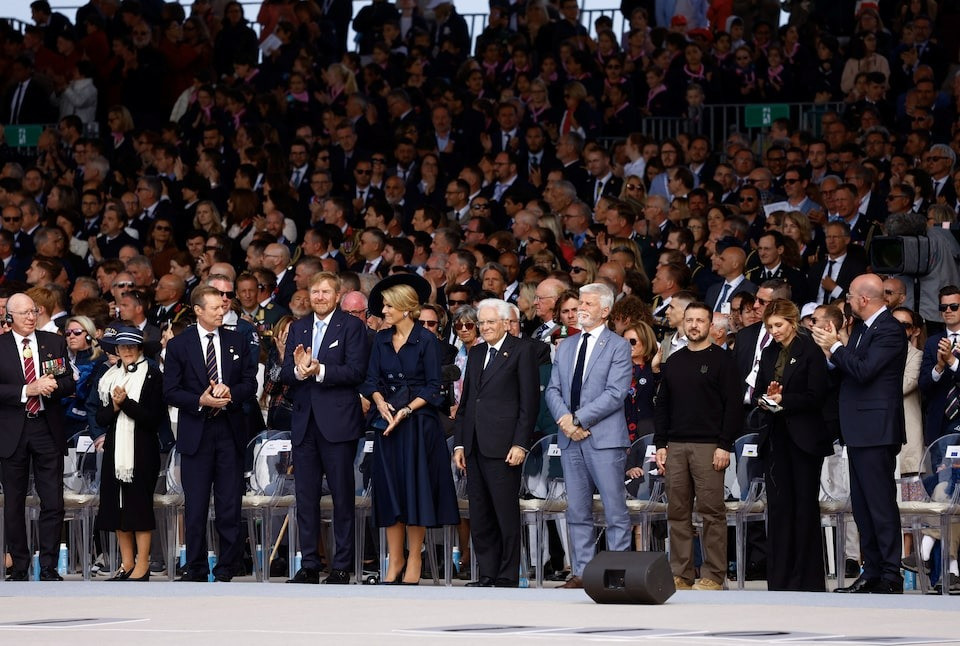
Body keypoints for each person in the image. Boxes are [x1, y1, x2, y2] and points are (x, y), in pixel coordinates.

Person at [359, 274, 459, 585]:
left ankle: (414, 556)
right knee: (389, 492)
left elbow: (433, 387)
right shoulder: (381, 339)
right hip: (386, 424)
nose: (383, 310)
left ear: (404, 308)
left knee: (416, 491)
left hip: (417, 425)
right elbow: (370, 379)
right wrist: (379, 401)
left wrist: (404, 410)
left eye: (389, 306)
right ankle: (395, 559)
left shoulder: (427, 341)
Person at [812, 274, 908, 594]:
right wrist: (832, 353)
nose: (849, 302)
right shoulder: (865, 329)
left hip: (876, 429)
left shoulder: (890, 330)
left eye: (851, 297)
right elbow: (848, 369)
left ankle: (891, 574)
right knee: (863, 507)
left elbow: (865, 371)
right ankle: (872, 572)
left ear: (864, 300)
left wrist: (836, 346)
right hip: (858, 428)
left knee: (880, 504)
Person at [163, 286, 258, 582]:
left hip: (229, 430)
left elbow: (249, 384)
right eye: (215, 307)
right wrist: (200, 400)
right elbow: (171, 390)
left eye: (223, 307)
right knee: (196, 504)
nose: (222, 312)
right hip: (196, 430)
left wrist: (230, 392)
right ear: (198, 310)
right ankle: (196, 566)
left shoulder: (237, 340)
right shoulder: (179, 345)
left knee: (229, 503)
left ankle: (227, 567)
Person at [281, 272, 371, 584]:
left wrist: (320, 370)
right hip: (305, 423)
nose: (319, 297)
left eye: (325, 292)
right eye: (315, 291)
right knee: (305, 498)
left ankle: (342, 566)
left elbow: (357, 370)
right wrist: (297, 369)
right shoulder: (298, 327)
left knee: (342, 497)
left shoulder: (352, 327)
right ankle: (309, 564)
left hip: (338, 423)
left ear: (337, 295)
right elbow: (284, 373)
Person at [544, 282, 633, 589]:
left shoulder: (619, 346)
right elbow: (553, 389)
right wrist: (565, 421)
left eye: (588, 304)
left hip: (604, 439)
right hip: (570, 438)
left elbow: (616, 392)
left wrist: (578, 418)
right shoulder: (566, 345)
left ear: (605, 310)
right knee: (578, 509)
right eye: (580, 302)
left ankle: (617, 572)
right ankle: (582, 572)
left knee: (614, 509)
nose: (581, 308)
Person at [654, 300, 742, 591]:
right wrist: (661, 444)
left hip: (709, 446)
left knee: (711, 512)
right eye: (689, 320)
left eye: (700, 321)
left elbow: (733, 408)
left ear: (710, 326)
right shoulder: (673, 362)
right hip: (675, 445)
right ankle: (681, 572)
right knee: (677, 512)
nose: (693, 325)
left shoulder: (724, 361)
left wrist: (724, 445)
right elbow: (663, 405)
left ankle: (714, 575)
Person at [453, 298, 538, 588]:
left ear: (505, 323)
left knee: (504, 514)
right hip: (475, 445)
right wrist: (460, 444)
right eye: (483, 323)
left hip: (504, 447)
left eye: (491, 322)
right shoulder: (476, 353)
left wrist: (520, 444)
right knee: (480, 513)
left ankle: (507, 575)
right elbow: (466, 402)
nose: (486, 327)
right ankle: (487, 573)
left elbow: (529, 403)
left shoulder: (522, 350)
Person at [753, 299, 833, 591]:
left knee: (803, 508)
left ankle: (807, 580)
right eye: (769, 326)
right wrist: (769, 397)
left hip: (804, 439)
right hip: (776, 437)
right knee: (779, 508)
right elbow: (761, 390)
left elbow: (817, 394)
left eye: (779, 325)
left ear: (793, 321)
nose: (774, 331)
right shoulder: (768, 351)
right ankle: (780, 578)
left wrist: (784, 400)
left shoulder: (809, 349)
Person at [0, 293, 75, 581]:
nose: (31, 317)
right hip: (13, 430)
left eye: (34, 311)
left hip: (46, 427)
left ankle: (48, 566)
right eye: (24, 313)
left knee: (53, 501)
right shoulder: (2, 345)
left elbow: (68, 382)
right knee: (15, 501)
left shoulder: (52, 342)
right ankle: (19, 566)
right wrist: (26, 390)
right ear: (10, 317)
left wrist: (51, 386)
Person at [93, 324, 164, 582]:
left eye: (132, 346)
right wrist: (114, 405)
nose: (127, 351)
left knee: (139, 505)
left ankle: (143, 564)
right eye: (123, 347)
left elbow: (152, 418)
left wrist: (126, 404)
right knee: (117, 506)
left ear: (140, 348)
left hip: (142, 449)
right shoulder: (109, 376)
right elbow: (101, 418)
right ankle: (126, 563)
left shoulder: (153, 375)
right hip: (115, 449)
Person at [622, 321, 659, 442]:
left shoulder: (657, 369)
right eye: (624, 342)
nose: (627, 345)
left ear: (645, 341)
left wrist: (655, 371)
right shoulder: (615, 369)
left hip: (647, 432)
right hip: (620, 432)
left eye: (632, 341)